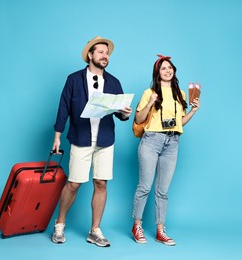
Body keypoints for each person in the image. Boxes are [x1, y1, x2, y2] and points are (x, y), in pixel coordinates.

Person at [51, 36, 132, 247]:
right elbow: (63, 108)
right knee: (74, 183)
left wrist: (124, 113)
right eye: (101, 52)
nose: (105, 56)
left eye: (107, 53)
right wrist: (57, 136)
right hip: (81, 138)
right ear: (90, 55)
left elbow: (120, 114)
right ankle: (60, 223)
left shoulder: (114, 82)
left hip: (105, 139)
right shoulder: (74, 79)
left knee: (101, 183)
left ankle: (94, 230)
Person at [131, 54, 200, 246]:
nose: (167, 71)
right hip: (152, 140)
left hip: (173, 142)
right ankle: (137, 226)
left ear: (174, 71)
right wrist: (151, 102)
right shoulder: (149, 92)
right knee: (144, 186)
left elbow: (180, 123)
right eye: (163, 68)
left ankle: (160, 230)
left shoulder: (181, 94)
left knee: (163, 191)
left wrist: (193, 111)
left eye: (170, 68)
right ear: (157, 73)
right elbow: (138, 119)